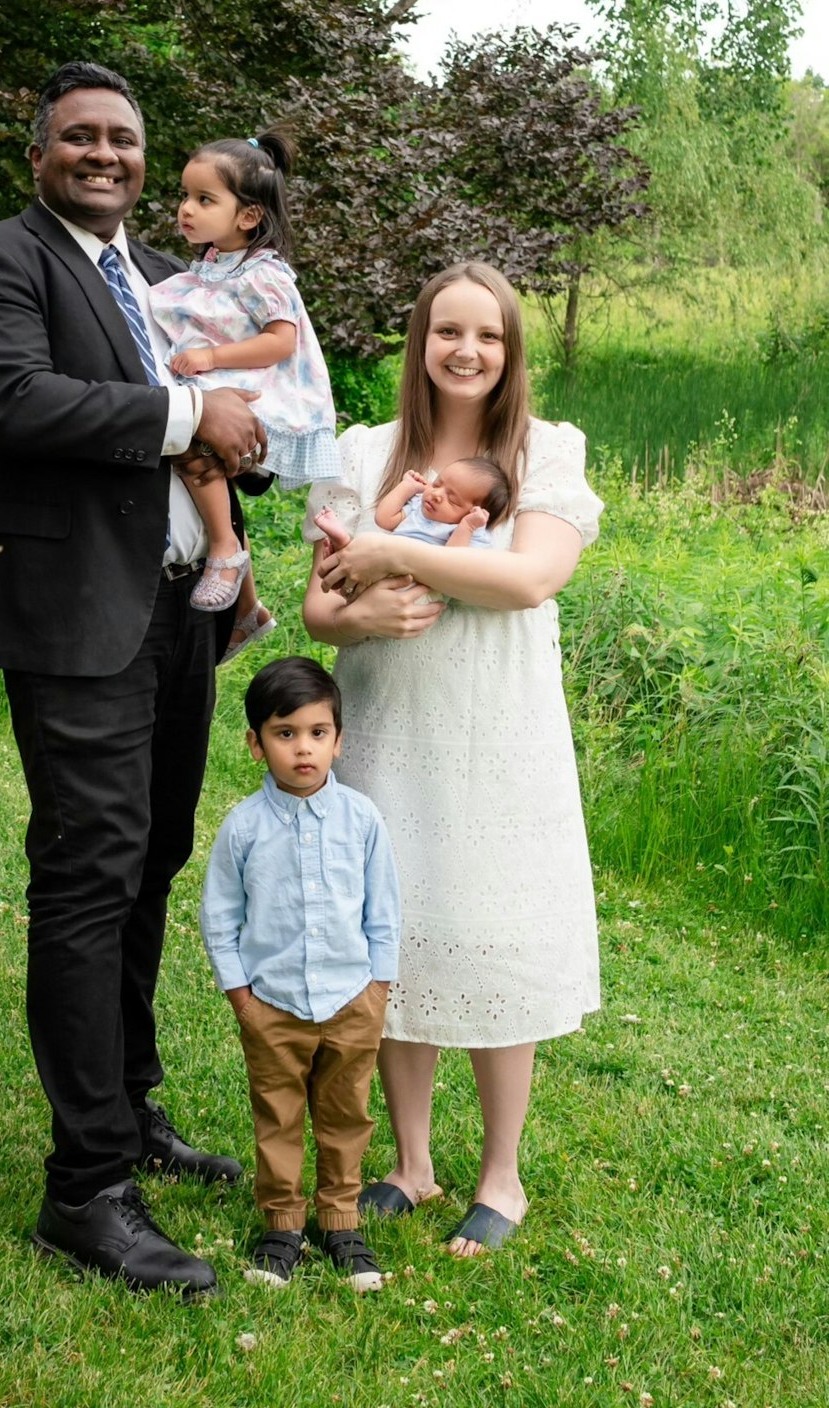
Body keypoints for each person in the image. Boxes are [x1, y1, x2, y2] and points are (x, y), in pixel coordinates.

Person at [0, 60, 270, 1299]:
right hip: (75, 620)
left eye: (122, 139)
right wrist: (191, 418)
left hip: (177, 612)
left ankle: (130, 1116)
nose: (105, 154)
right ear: (39, 155)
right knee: (87, 873)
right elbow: (18, 404)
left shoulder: (148, 276)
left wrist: (246, 446)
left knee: (151, 858)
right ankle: (85, 1190)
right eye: (78, 137)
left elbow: (190, 410)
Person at [302, 261, 603, 1255]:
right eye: (445, 331)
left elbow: (527, 579)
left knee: (488, 929)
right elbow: (316, 606)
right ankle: (410, 1162)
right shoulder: (367, 450)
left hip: (495, 728)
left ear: (511, 351)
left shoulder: (542, 453)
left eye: (487, 335)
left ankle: (500, 1176)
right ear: (419, 342)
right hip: (388, 717)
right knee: (400, 931)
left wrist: (398, 556)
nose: (465, 350)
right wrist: (363, 604)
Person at [199, 657, 400, 1291]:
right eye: (285, 734)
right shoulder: (243, 829)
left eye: (318, 733)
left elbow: (383, 912)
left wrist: (377, 990)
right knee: (278, 1114)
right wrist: (242, 997)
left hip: (351, 999)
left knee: (346, 1114)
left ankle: (341, 1219)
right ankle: (282, 1224)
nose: (304, 749)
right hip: (273, 1004)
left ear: (339, 741)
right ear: (255, 743)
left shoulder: (363, 820)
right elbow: (220, 917)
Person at [148, 130, 340, 661]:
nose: (186, 209)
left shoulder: (265, 272)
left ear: (249, 216)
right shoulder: (214, 263)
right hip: (223, 384)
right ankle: (247, 608)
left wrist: (209, 359)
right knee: (195, 462)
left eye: (204, 199)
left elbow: (282, 340)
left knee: (192, 449)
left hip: (264, 393)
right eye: (184, 196)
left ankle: (227, 553)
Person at [315, 455, 510, 554]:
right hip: (385, 561)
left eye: (452, 500)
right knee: (359, 559)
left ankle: (343, 547)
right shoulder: (419, 511)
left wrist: (467, 526)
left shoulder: (467, 531)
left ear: (474, 513)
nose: (436, 495)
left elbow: (453, 560)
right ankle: (343, 544)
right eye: (437, 483)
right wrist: (406, 487)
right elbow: (384, 519)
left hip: (418, 582)